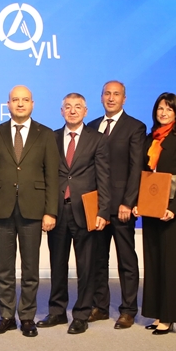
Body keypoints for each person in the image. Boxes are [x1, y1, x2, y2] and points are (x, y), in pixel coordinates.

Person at [0, 85, 60, 338]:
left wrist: (50, 211)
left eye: (25, 100)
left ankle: (27, 316)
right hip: (2, 208)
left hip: (34, 209)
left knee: (30, 269)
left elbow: (52, 176)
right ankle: (6, 316)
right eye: (15, 100)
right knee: (5, 269)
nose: (20, 104)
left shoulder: (45, 134)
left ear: (32, 104)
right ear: (8, 104)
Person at [40, 93, 111, 334]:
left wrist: (103, 210)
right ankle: (57, 311)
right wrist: (46, 210)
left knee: (86, 266)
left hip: (86, 211)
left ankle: (81, 314)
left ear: (85, 111)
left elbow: (104, 177)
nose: (72, 111)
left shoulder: (97, 139)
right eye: (68, 107)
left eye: (77, 107)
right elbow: (45, 175)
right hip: (57, 211)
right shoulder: (51, 137)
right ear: (61, 111)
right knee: (57, 264)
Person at [84, 81, 146, 328]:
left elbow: (136, 167)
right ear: (101, 97)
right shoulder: (91, 126)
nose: (111, 98)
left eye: (116, 94)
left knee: (126, 260)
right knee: (98, 260)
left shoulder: (135, 127)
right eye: (107, 94)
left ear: (124, 99)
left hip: (122, 207)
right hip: (97, 206)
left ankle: (128, 310)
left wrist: (128, 202)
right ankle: (100, 306)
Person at [133, 92, 176, 335]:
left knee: (170, 261)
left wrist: (174, 208)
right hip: (150, 205)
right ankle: (156, 312)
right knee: (153, 259)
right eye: (160, 108)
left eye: (169, 109)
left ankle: (168, 316)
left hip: (170, 207)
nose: (164, 113)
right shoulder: (151, 138)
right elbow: (145, 174)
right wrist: (139, 203)